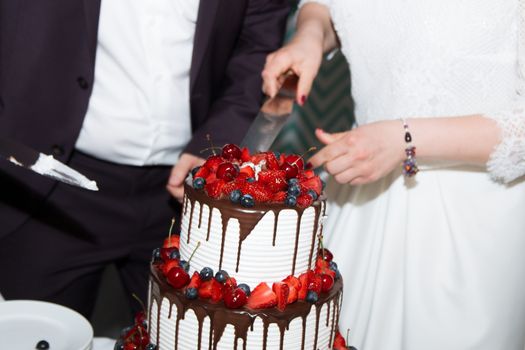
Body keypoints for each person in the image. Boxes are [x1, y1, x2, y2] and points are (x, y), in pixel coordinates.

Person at [0, 0, 290, 320]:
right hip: (51, 189)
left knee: (189, 334)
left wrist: (216, 145)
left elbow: (255, 46)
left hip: (188, 194)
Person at [263, 1, 525, 349]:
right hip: (357, 199)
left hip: (470, 229)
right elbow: (323, 7)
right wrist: (310, 35)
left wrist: (404, 140)